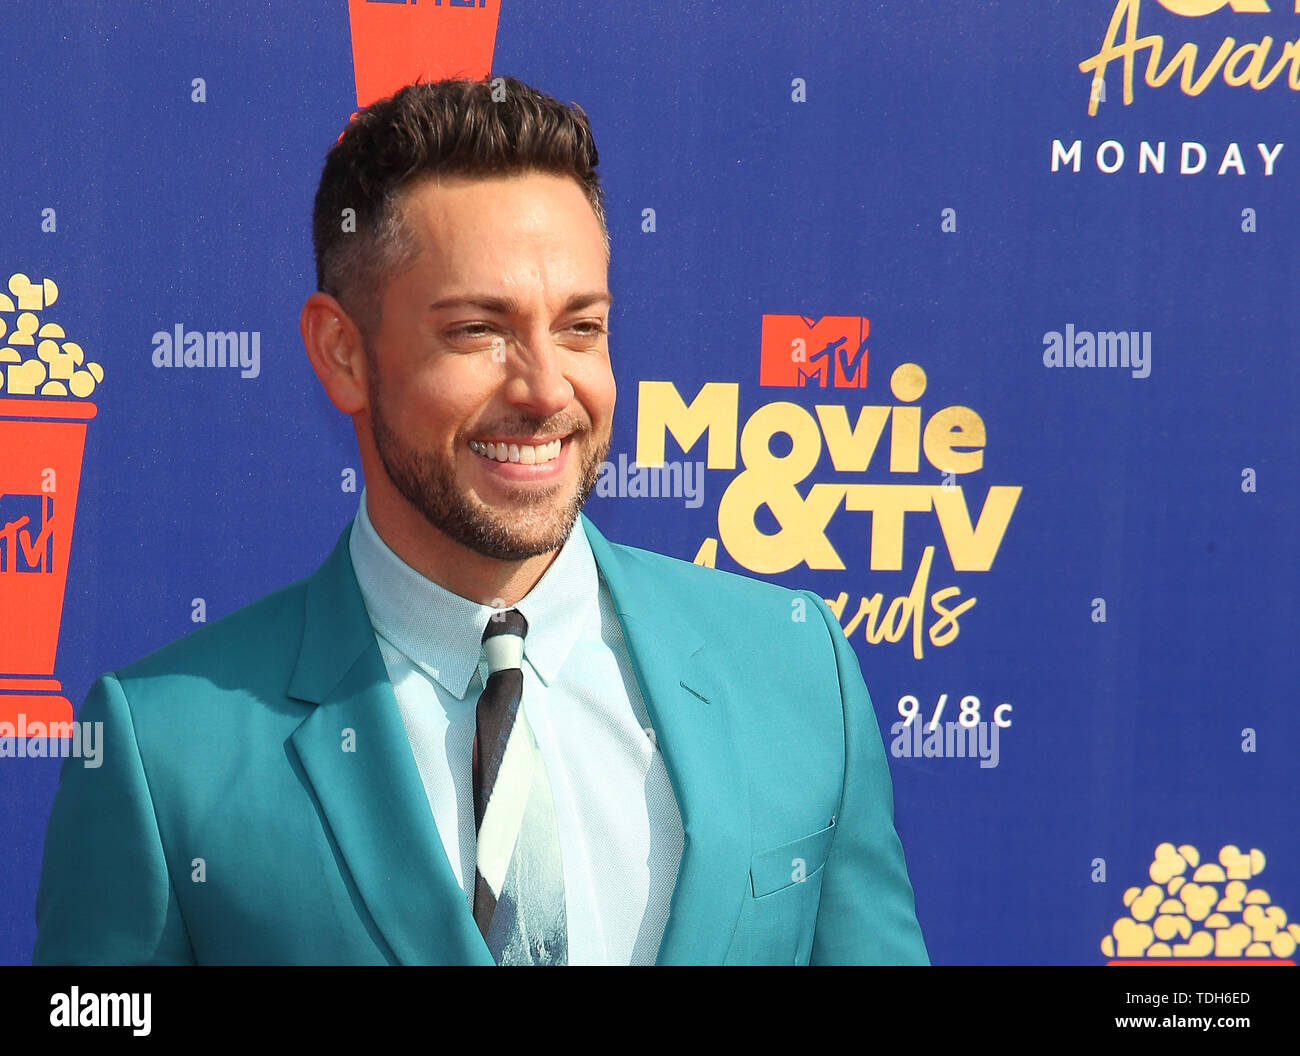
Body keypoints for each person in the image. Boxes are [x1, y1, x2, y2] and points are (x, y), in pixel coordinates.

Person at [33, 76, 928, 966]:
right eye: (477, 331)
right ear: (343, 354)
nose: (545, 389)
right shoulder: (163, 752)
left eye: (581, 327)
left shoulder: (795, 669)